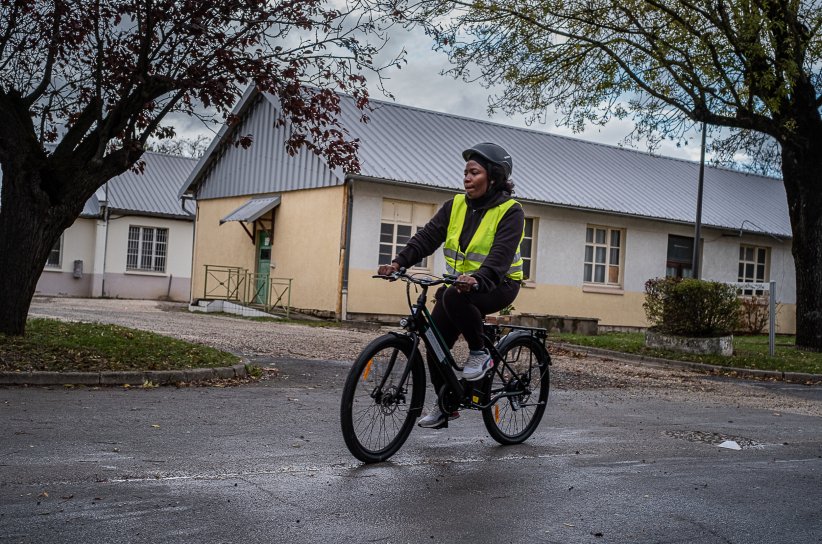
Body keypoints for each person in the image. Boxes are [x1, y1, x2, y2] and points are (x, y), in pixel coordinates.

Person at [377, 142, 525, 428]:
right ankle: (447, 404)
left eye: (474, 172)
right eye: (465, 172)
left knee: (454, 297)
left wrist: (478, 279)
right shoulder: (455, 206)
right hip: (460, 286)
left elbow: (500, 255)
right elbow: (427, 238)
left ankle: (479, 352)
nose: (466, 178)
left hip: (499, 284)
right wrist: (398, 263)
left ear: (493, 177)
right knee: (434, 340)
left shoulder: (510, 211)